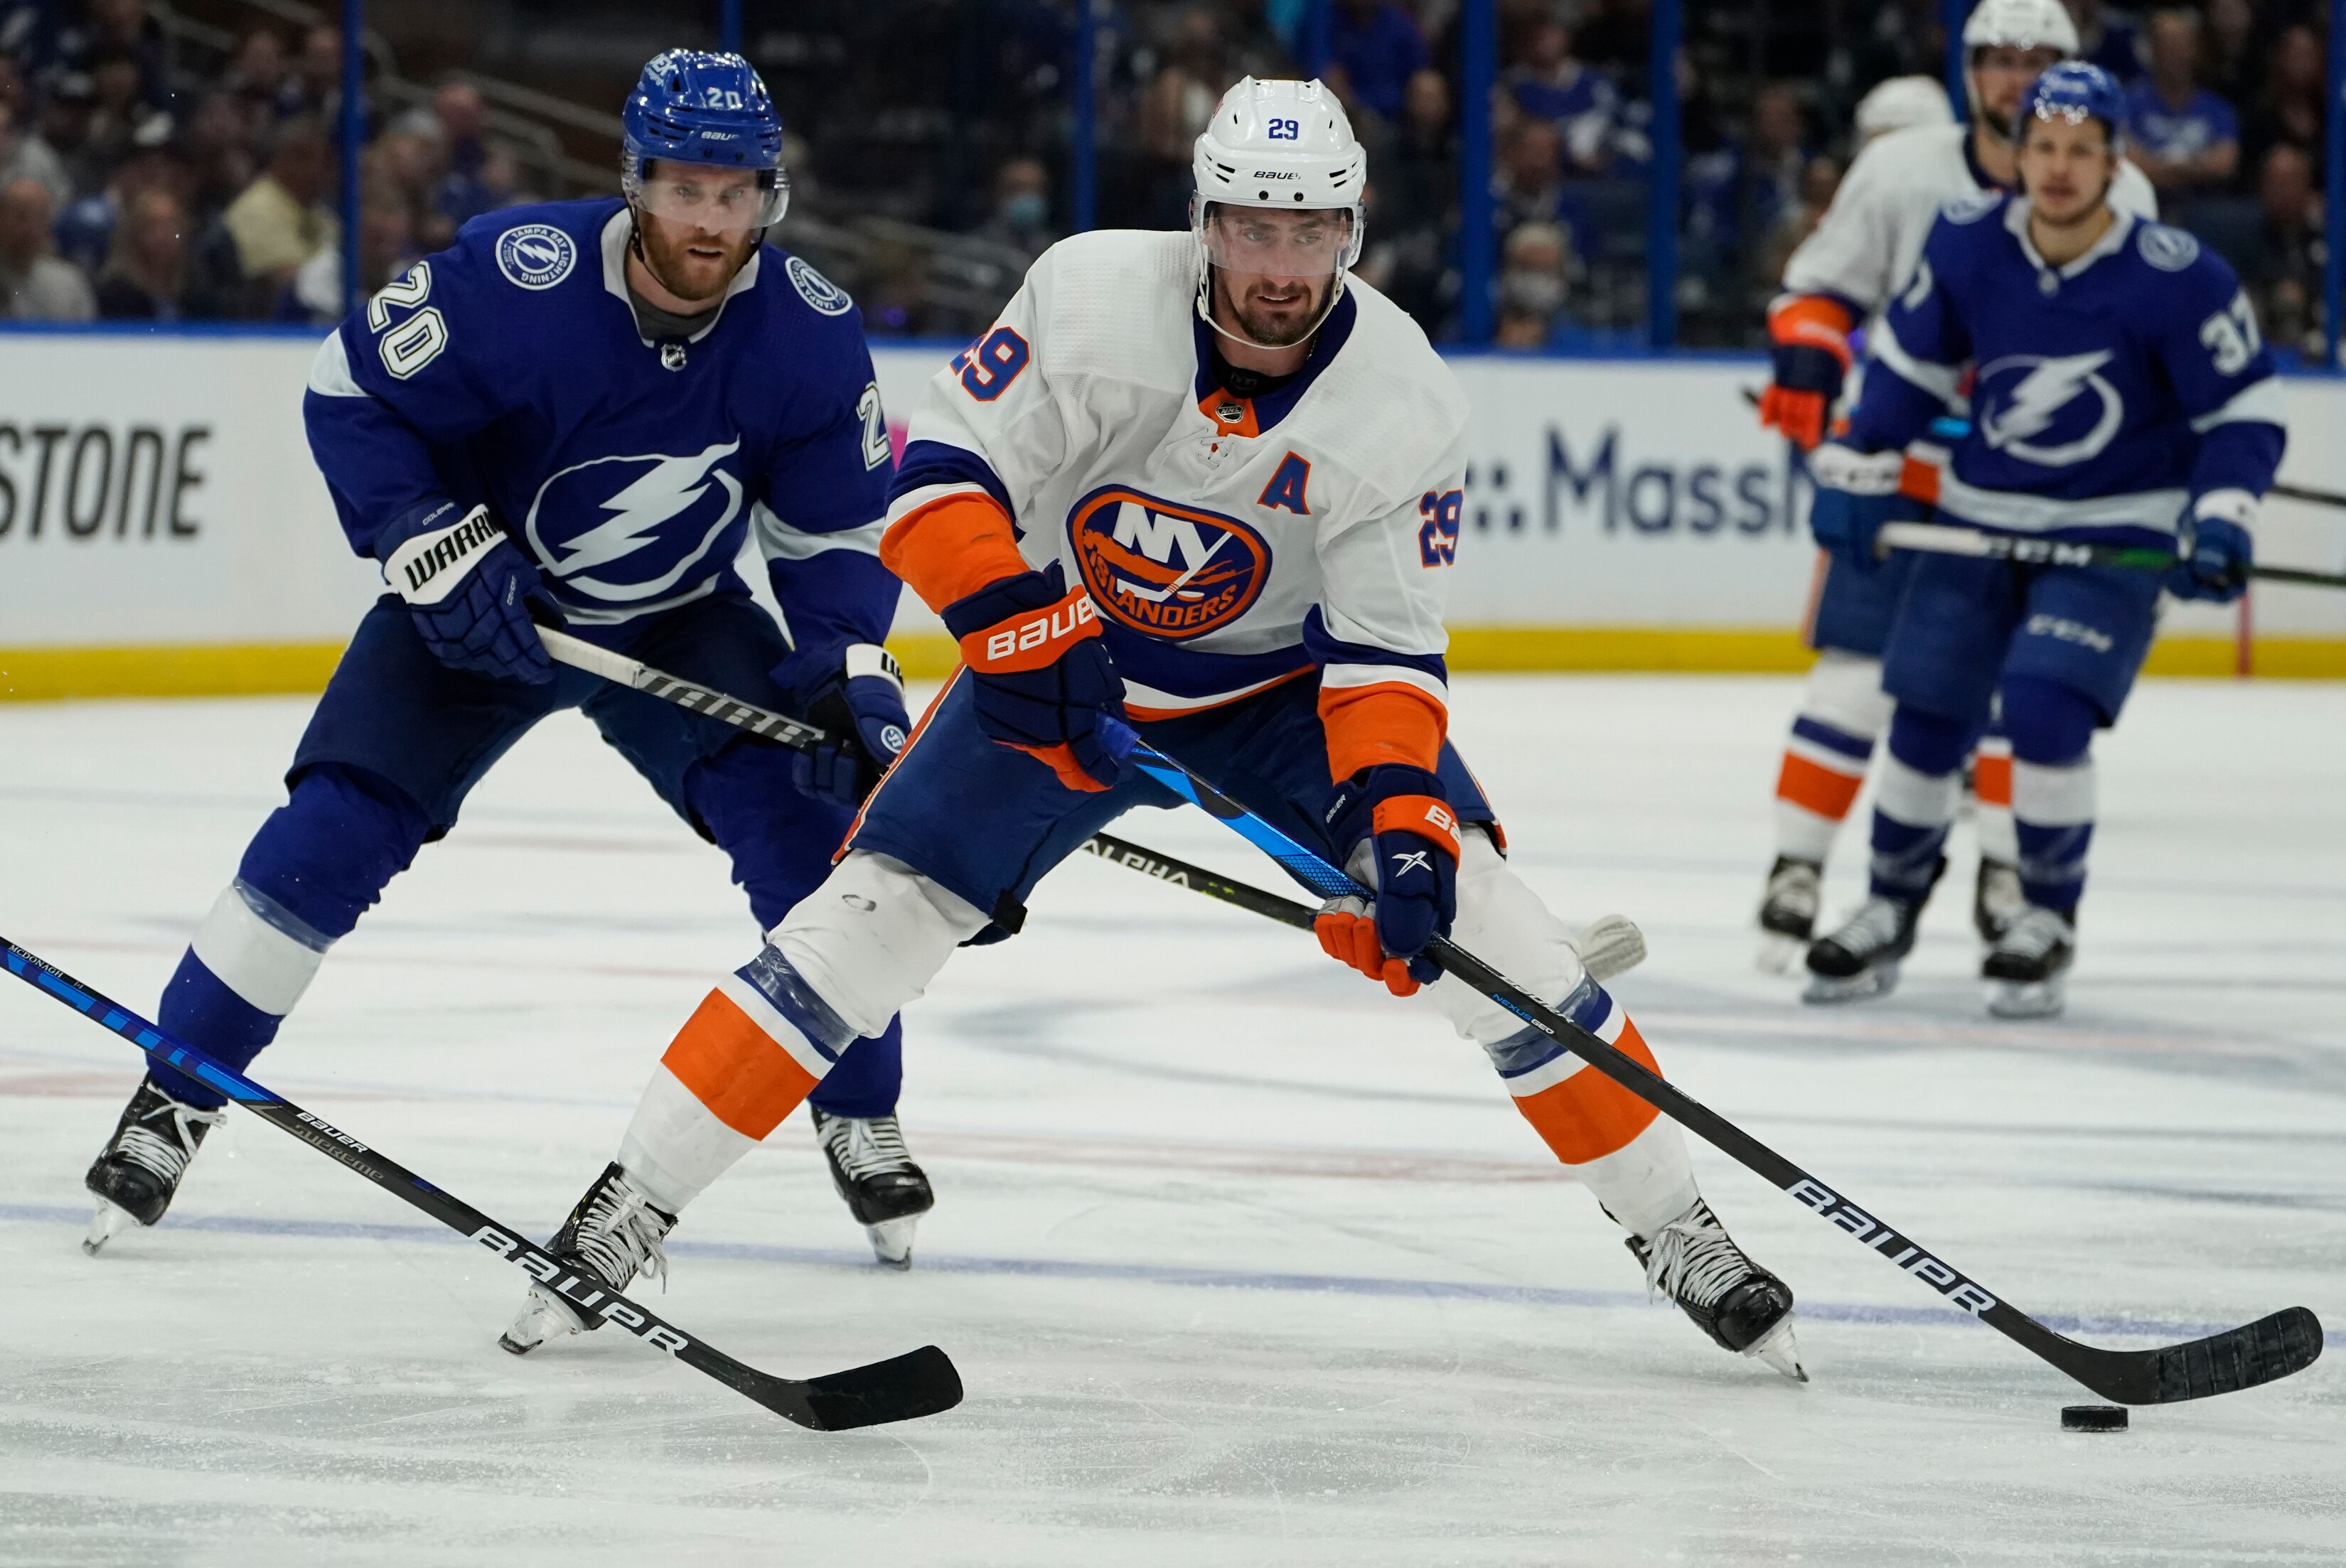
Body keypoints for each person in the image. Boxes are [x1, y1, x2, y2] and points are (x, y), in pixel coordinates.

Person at [500, 77, 1806, 1382]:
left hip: (1282, 695)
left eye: (1308, 234)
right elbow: (935, 484)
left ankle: (1679, 1229)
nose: (1278, 267)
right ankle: (630, 1206)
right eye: (1251, 228)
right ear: (1202, 219)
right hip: (1063, 664)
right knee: (863, 923)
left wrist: (1403, 831)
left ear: (1350, 230)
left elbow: (1383, 662)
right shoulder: (1087, 298)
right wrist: (1019, 632)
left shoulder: (1406, 401)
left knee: (1497, 940)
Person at [79, 50, 938, 1272]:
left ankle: (861, 1109)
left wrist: (846, 656)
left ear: (769, 197)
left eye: (736, 192)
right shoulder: (514, 275)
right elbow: (350, 391)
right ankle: (176, 1096)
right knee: (330, 833)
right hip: (479, 608)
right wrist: (422, 536)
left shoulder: (807, 335)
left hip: (679, 617)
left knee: (819, 849)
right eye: (688, 190)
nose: (712, 220)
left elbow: (832, 535)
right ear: (636, 182)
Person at [1803, 62, 2281, 1016]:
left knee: (2044, 713)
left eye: (2081, 152)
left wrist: (2224, 512)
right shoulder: (1971, 244)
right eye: (2045, 148)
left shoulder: (2176, 278)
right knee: (1928, 716)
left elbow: (2245, 415)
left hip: (2116, 530)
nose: (2059, 169)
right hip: (1980, 516)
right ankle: (1888, 907)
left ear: (2114, 163)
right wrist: (1862, 455)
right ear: (2019, 153)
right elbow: (1907, 365)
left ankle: (2046, 918)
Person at [1750, 0, 2160, 975]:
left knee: (2023, 696)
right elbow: (1818, 289)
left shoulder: (2125, 193)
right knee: (1855, 676)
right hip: (1907, 463)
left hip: (2033, 486)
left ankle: (2008, 874)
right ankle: (1797, 868)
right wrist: (1808, 355)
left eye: (2038, 61)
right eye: (1999, 59)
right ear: (1969, 70)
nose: (2017, 79)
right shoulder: (1900, 171)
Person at [2124, 7, 2239, 204]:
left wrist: (2161, 167)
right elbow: (2131, 166)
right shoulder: (2129, 104)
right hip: (2146, 203)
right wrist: (2197, 167)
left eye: (2182, 44)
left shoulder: (2218, 109)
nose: (2175, 53)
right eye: (2167, 45)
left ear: (2195, 50)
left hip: (2205, 208)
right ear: (2152, 50)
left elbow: (2224, 165)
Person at [0, 173, 95, 318]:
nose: (30, 229)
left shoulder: (69, 283)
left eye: (40, 218)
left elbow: (87, 339)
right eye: (21, 216)